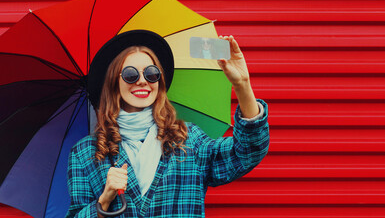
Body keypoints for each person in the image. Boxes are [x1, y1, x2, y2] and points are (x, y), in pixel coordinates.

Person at [66, 32, 269, 217]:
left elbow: (247, 152)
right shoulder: (85, 153)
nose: (143, 81)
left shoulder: (189, 140)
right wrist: (104, 199)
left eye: (151, 73)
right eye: (130, 74)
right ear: (114, 83)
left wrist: (242, 85)